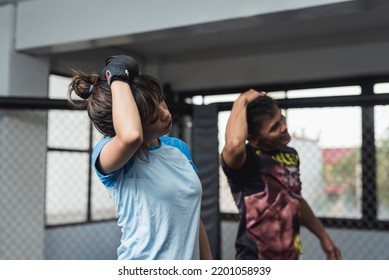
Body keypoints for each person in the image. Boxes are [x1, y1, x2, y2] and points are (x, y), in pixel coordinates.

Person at [67, 55, 212, 260]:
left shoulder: (178, 149)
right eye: (153, 117)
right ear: (133, 121)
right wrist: (116, 76)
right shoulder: (110, 154)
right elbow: (131, 137)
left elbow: (193, 217)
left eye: (161, 101)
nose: (165, 114)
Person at [221, 89, 342, 260]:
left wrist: (324, 237)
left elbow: (295, 200)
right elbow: (234, 144)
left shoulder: (290, 154)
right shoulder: (243, 161)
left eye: (281, 118)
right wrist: (242, 100)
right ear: (254, 139)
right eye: (274, 127)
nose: (284, 127)